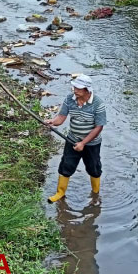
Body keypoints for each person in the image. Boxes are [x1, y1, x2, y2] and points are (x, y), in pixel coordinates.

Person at [44, 74, 106, 203]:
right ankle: (60, 193)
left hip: (92, 143)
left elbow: (98, 127)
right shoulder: (70, 99)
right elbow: (61, 118)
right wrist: (52, 122)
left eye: (78, 88)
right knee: (66, 165)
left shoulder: (98, 104)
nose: (75, 90)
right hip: (72, 139)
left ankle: (95, 194)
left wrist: (83, 143)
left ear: (87, 90)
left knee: (94, 168)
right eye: (74, 87)